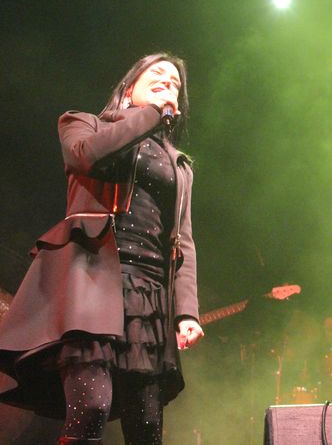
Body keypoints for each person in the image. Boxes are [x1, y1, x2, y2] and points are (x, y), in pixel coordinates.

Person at [0, 52, 203, 444]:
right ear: (129, 89)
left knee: (145, 424)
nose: (169, 82)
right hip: (91, 276)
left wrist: (186, 312)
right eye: (157, 74)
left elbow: (184, 240)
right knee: (91, 408)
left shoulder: (179, 165)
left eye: (175, 82)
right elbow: (87, 157)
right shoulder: (82, 123)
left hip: (147, 291)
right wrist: (149, 114)